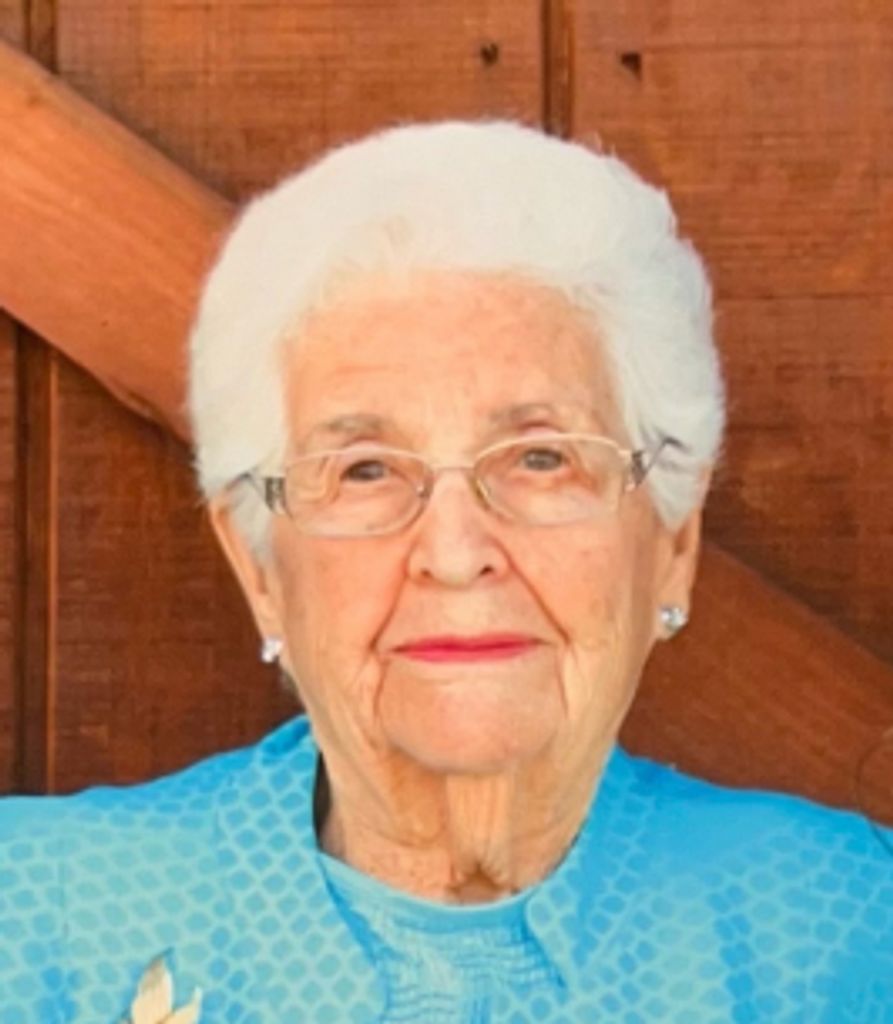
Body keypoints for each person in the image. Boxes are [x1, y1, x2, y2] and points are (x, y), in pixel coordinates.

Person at [1, 120, 891, 1024]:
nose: (457, 554)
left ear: (671, 543)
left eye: (541, 458)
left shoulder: (844, 930)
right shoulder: (36, 923)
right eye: (364, 470)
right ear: (259, 565)